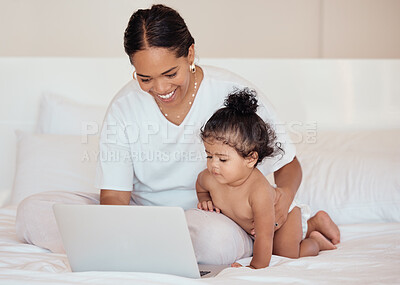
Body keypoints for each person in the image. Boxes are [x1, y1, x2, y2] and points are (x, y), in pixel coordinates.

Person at [16, 4, 302, 265]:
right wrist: (116, 226)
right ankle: (143, 246)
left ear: (189, 54)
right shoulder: (124, 107)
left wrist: (282, 200)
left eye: (170, 73)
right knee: (33, 213)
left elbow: (288, 165)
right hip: (142, 216)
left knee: (211, 240)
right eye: (145, 78)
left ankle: (130, 249)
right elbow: (114, 198)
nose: (161, 88)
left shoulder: (232, 92)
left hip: (216, 219)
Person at [196, 88, 340, 269]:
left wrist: (255, 268)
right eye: (209, 156)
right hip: (255, 229)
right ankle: (312, 225)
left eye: (223, 159)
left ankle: (315, 239)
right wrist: (204, 199)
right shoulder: (210, 178)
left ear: (250, 159)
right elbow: (200, 184)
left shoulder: (259, 192)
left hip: (283, 220)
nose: (213, 165)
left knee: (285, 254)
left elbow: (264, 236)